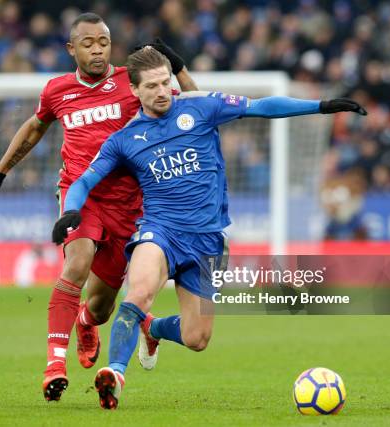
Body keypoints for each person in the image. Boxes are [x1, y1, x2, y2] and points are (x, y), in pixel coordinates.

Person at [52, 46, 367, 410]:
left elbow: (261, 107)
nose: (161, 91)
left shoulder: (201, 108)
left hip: (206, 240)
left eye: (165, 82)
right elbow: (84, 181)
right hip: (160, 232)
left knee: (197, 337)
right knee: (136, 294)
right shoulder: (125, 140)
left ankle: (152, 330)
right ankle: (116, 374)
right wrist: (71, 211)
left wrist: (321, 106)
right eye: (151, 85)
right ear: (135, 91)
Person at [0, 13, 198, 401]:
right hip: (81, 195)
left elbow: (193, 105)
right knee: (76, 263)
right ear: (71, 49)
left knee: (100, 307)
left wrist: (177, 67)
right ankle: (53, 365)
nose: (97, 49)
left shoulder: (132, 81)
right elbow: (33, 129)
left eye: (103, 42)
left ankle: (84, 321)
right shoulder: (57, 91)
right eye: (88, 43)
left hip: (130, 203)